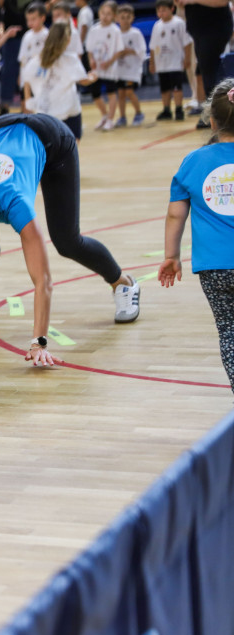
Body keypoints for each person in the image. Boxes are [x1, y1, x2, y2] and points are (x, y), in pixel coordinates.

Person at [0, 113, 141, 367]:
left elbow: (42, 281)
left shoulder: (15, 202)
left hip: (52, 141)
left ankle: (123, 283)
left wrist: (38, 342)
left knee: (67, 242)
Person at [159, 78, 234, 390]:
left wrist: (171, 256)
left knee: (229, 331)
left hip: (214, 268)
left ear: (212, 121)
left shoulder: (192, 161)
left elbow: (176, 214)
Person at [22, 21, 99, 139]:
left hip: (44, 113)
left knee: (49, 151)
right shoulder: (70, 60)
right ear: (68, 40)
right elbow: (84, 81)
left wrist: (28, 100)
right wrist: (93, 76)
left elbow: (26, 80)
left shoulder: (36, 60)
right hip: (68, 112)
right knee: (71, 149)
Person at [179, 0, 233, 128]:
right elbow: (181, 14)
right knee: (205, 72)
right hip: (200, 32)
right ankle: (216, 113)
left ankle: (218, 115)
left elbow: (222, 2)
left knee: (210, 74)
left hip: (214, 29)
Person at [150, 0, 193, 121]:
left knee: (176, 87)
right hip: (162, 63)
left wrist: (187, 58)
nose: (161, 13)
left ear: (172, 9)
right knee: (164, 88)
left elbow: (187, 42)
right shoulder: (157, 26)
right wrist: (152, 62)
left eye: (164, 10)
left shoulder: (179, 23)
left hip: (175, 62)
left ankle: (178, 109)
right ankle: (166, 109)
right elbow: (153, 47)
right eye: (159, 11)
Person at [86, 0, 124, 130]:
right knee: (95, 94)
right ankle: (104, 115)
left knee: (111, 93)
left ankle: (110, 120)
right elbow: (89, 49)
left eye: (108, 14)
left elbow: (119, 50)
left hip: (110, 69)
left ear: (114, 15)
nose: (105, 16)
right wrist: (91, 60)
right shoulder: (94, 29)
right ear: (99, 13)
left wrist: (109, 62)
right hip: (96, 69)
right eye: (103, 13)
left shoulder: (115, 30)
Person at [114, 4, 147, 127]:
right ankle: (122, 117)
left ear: (132, 18)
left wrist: (129, 51)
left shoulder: (135, 33)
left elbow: (142, 50)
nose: (125, 20)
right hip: (119, 69)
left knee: (129, 92)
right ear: (117, 18)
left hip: (132, 69)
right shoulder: (115, 33)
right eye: (122, 17)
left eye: (128, 17)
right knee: (121, 93)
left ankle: (139, 113)